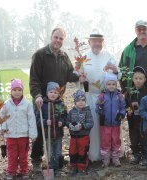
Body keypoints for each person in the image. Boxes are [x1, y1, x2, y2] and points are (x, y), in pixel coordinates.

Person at [29, 27, 79, 169]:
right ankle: (37, 158)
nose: (58, 40)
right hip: (42, 101)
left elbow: (69, 74)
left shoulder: (64, 56)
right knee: (41, 129)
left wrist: (78, 76)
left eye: (61, 38)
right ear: (51, 37)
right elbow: (34, 79)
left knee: (57, 127)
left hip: (57, 101)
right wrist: (38, 95)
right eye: (56, 37)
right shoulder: (40, 55)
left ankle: (56, 157)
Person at [79, 29, 119, 162]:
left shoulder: (109, 55)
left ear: (103, 42)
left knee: (108, 126)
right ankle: (94, 153)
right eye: (94, 41)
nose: (97, 43)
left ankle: (111, 153)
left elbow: (118, 75)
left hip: (107, 97)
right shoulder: (83, 56)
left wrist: (115, 71)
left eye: (99, 41)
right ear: (89, 42)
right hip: (90, 96)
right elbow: (78, 76)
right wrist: (81, 79)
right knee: (94, 126)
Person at [0, 79, 37, 179]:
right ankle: (11, 172)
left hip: (23, 135)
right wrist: (2, 128)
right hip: (10, 134)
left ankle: (24, 171)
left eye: (19, 90)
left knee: (23, 155)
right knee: (12, 155)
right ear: (11, 91)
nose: (17, 92)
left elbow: (31, 119)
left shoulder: (27, 104)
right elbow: (2, 117)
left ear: (22, 91)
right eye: (14, 89)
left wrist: (33, 134)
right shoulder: (6, 104)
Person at [96, 73, 126, 167]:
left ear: (116, 84)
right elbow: (97, 107)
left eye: (113, 84)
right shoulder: (102, 96)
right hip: (105, 123)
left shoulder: (120, 96)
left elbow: (123, 107)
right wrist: (101, 112)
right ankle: (106, 158)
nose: (111, 86)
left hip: (116, 123)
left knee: (116, 140)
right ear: (105, 85)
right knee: (106, 140)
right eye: (109, 84)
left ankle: (115, 158)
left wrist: (121, 114)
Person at [40, 82, 67, 176]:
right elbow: (38, 119)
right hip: (48, 135)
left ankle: (57, 168)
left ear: (59, 94)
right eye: (51, 92)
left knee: (58, 152)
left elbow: (65, 116)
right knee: (49, 152)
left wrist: (62, 122)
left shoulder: (61, 104)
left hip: (58, 134)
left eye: (55, 92)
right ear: (47, 93)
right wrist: (44, 121)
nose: (53, 94)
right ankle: (51, 168)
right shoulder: (43, 105)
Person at [125, 66, 147, 164]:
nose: (138, 81)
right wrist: (128, 110)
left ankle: (144, 155)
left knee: (143, 136)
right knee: (134, 137)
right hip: (132, 119)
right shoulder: (129, 92)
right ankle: (136, 154)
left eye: (141, 78)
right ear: (133, 79)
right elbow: (125, 104)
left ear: (144, 80)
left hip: (143, 119)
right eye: (136, 78)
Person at [66, 90, 94, 176]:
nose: (81, 102)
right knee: (72, 151)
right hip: (73, 137)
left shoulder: (87, 111)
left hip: (83, 136)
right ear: (75, 102)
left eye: (83, 100)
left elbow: (91, 123)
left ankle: (81, 168)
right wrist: (69, 125)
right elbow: (67, 121)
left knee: (82, 152)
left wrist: (82, 126)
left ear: (85, 101)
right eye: (78, 100)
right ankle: (74, 167)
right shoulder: (71, 112)